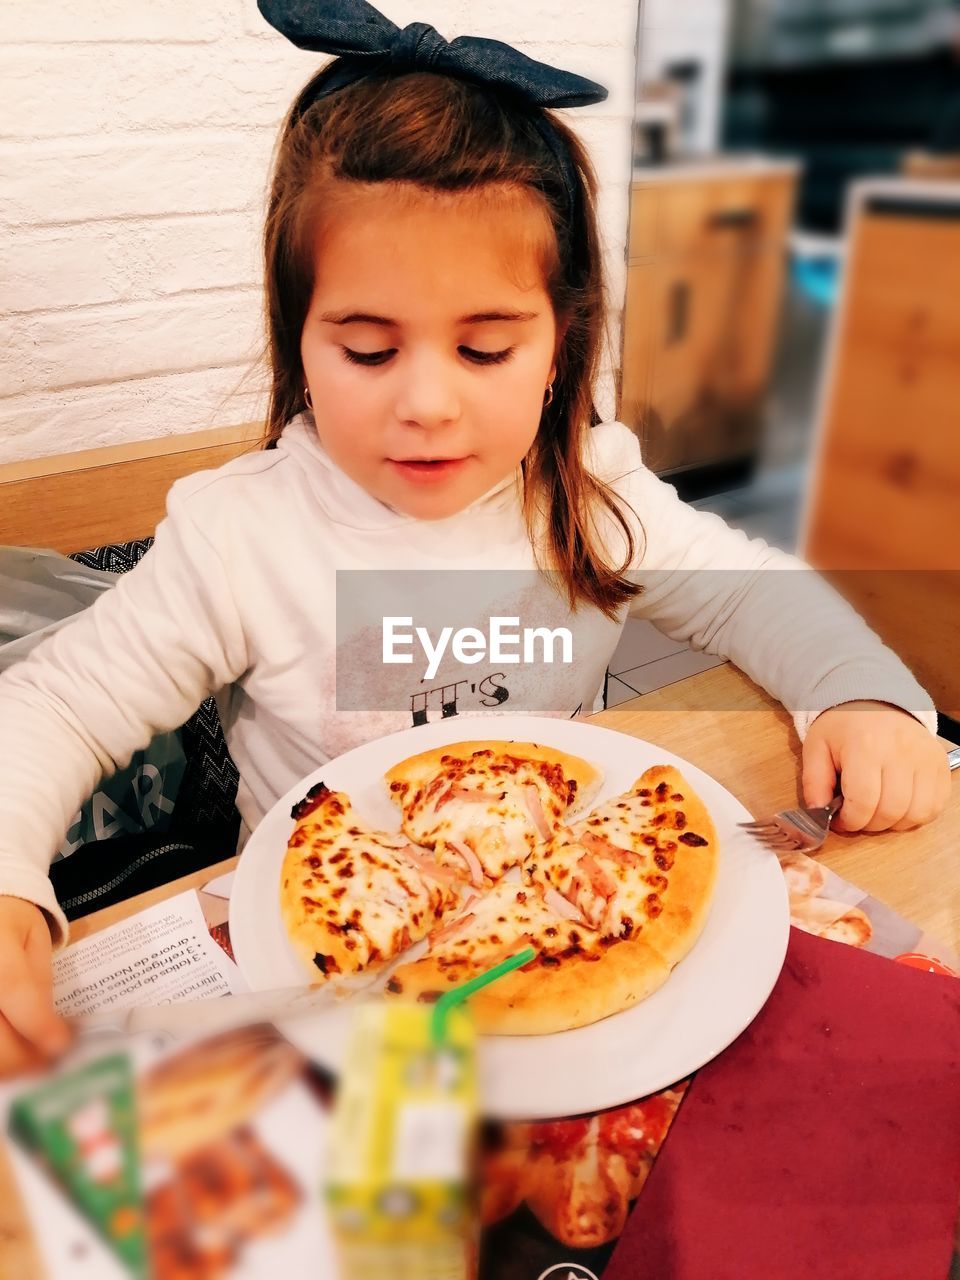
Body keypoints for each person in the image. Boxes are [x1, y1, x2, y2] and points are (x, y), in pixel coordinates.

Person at [0, 1, 950, 1077]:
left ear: (560, 347)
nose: (427, 405)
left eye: (486, 348)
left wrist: (861, 689)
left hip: (568, 920)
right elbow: (56, 705)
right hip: (334, 958)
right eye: (366, 349)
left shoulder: (589, 488)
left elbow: (744, 592)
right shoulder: (242, 533)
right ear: (299, 339)